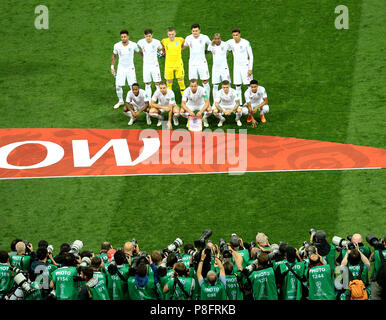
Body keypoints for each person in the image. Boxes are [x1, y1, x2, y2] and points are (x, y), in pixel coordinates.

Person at [111, 30, 140, 109]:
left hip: (130, 68)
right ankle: (121, 101)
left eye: (125, 37)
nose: (123, 38)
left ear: (128, 37)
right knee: (118, 86)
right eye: (122, 37)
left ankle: (134, 102)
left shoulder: (133, 45)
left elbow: (140, 52)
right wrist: (112, 67)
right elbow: (114, 55)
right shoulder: (117, 45)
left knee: (133, 86)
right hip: (121, 68)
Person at [183, 24, 211, 101]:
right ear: (191, 31)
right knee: (193, 82)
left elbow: (211, 45)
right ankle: (194, 100)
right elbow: (183, 46)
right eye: (193, 31)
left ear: (199, 30)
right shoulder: (188, 38)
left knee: (205, 81)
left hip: (202, 63)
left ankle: (207, 100)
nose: (195, 32)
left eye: (196, 31)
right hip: (192, 64)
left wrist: (207, 50)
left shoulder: (204, 37)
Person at [226, 28, 253, 105]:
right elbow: (223, 46)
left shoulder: (246, 43)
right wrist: (226, 52)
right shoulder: (230, 42)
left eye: (237, 35)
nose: (235, 36)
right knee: (237, 85)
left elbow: (251, 56)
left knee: (248, 84)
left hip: (245, 66)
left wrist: (250, 68)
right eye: (234, 35)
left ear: (240, 34)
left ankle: (250, 102)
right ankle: (240, 104)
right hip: (236, 67)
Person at [137, 29, 163, 99]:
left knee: (157, 83)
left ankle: (158, 99)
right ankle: (148, 100)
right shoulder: (140, 42)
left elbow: (161, 49)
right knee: (147, 84)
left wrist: (160, 53)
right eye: (146, 36)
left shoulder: (157, 42)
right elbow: (137, 49)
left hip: (155, 65)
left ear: (152, 35)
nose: (148, 38)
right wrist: (142, 55)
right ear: (144, 36)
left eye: (149, 36)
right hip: (146, 66)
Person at [161, 27, 186, 96]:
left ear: (175, 33)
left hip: (178, 64)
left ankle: (184, 98)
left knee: (181, 81)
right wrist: (164, 52)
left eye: (172, 34)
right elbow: (162, 49)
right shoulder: (164, 41)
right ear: (167, 34)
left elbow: (184, 46)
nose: (171, 36)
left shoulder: (180, 40)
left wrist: (179, 50)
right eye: (169, 34)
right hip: (168, 65)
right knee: (169, 82)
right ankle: (170, 98)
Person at [207, 33, 231, 103]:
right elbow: (208, 50)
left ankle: (227, 100)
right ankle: (215, 102)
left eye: (218, 38)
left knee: (227, 84)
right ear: (213, 39)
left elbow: (229, 50)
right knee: (215, 85)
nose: (217, 40)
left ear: (220, 38)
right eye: (215, 39)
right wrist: (212, 42)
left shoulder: (225, 44)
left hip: (224, 68)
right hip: (215, 69)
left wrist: (225, 55)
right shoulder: (212, 45)